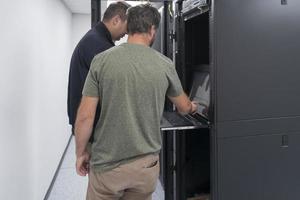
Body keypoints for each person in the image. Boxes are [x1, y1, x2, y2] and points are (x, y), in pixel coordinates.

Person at [75, 4, 198, 200]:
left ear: (129, 27)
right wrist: (194, 106)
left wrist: (81, 152)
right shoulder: (165, 64)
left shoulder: (101, 61)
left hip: (108, 167)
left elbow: (85, 116)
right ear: (152, 30)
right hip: (145, 167)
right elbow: (184, 108)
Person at [67, 1, 130, 139]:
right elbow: (113, 89)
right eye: (126, 29)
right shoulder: (99, 45)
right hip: (92, 129)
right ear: (116, 20)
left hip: (88, 126)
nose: (125, 34)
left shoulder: (94, 38)